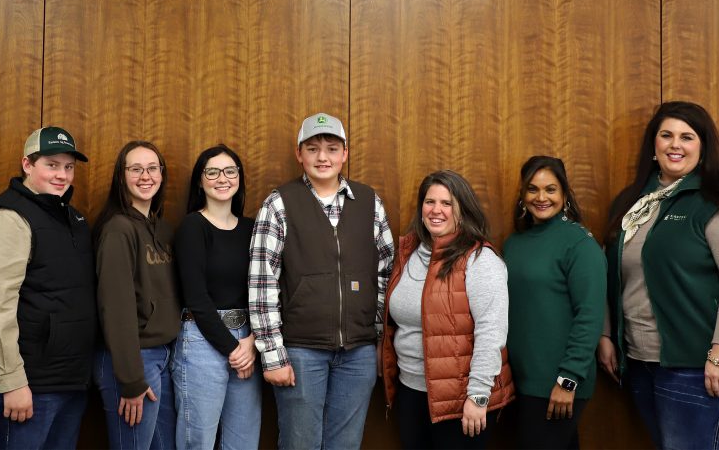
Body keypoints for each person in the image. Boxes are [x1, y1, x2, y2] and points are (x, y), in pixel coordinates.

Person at [599, 101, 719, 450]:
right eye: (666, 135)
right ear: (654, 146)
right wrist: (605, 335)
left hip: (701, 362)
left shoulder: (718, 203)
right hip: (642, 360)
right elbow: (608, 274)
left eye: (687, 137)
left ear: (702, 149)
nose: (676, 144)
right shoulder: (631, 204)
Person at [249, 112, 394, 449]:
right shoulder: (279, 204)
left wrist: (376, 338)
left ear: (345, 154)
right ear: (299, 154)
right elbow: (262, 282)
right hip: (300, 351)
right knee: (300, 444)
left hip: (358, 353)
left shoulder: (370, 202)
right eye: (313, 149)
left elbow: (385, 273)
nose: (323, 157)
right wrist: (272, 353)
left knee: (345, 444)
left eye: (331, 148)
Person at [0, 126, 97, 450]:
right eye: (51, 165)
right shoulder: (8, 218)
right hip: (26, 387)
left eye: (68, 167)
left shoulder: (73, 219)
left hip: (68, 383)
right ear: (27, 164)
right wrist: (12, 382)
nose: (62, 175)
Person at [381, 170, 514, 449]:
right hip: (411, 392)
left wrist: (478, 397)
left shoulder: (480, 260)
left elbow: (491, 332)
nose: (436, 210)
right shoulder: (408, 253)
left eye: (447, 203)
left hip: (461, 401)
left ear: (462, 209)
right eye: (430, 202)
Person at [503, 156, 605, 449]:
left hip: (557, 383)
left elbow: (590, 315)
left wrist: (568, 379)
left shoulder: (579, 243)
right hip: (520, 381)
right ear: (523, 195)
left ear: (564, 194)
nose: (541, 197)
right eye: (533, 189)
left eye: (551, 189)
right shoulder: (514, 243)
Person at [172, 144, 260, 450]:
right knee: (198, 443)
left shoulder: (253, 228)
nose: (222, 178)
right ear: (200, 180)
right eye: (212, 171)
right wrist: (234, 348)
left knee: (244, 443)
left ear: (239, 178)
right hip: (201, 341)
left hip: (247, 340)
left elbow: (263, 289)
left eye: (230, 171)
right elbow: (196, 297)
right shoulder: (192, 227)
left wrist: (250, 342)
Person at [93, 140, 180, 449]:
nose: (146, 176)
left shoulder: (163, 229)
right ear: (121, 176)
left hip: (163, 357)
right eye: (136, 169)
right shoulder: (118, 230)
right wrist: (130, 381)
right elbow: (116, 308)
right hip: (132, 360)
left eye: (153, 168)